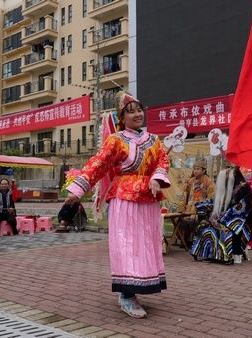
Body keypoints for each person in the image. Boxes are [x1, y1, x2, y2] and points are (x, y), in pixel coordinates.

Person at [64, 91, 170, 318]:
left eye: (139, 110)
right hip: (124, 198)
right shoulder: (116, 140)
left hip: (148, 199)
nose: (137, 114)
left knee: (145, 244)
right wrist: (78, 188)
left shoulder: (154, 141)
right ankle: (125, 294)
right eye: (130, 112)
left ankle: (137, 287)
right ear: (122, 117)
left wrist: (156, 179)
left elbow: (163, 162)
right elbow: (98, 164)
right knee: (127, 245)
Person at [191, 167, 252, 264]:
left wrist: (225, 218)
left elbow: (242, 209)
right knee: (204, 225)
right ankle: (211, 253)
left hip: (237, 220)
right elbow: (216, 202)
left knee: (224, 227)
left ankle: (226, 254)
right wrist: (201, 205)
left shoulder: (244, 189)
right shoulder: (226, 187)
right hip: (223, 217)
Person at [178, 158, 215, 246]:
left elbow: (211, 196)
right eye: (195, 169)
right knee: (182, 220)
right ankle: (185, 241)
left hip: (201, 209)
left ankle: (195, 241)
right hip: (189, 208)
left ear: (204, 170)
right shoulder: (191, 180)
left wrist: (205, 192)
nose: (195, 171)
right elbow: (184, 194)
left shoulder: (208, 181)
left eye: (198, 169)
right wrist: (185, 185)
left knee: (195, 221)